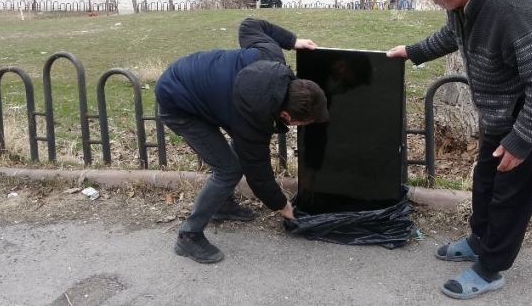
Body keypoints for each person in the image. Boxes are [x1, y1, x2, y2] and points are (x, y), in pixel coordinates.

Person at [386, 0, 532, 300]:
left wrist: (521, 142)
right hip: (501, 112)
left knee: (510, 197)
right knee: (486, 181)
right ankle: (478, 240)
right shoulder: (465, 3)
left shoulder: (512, 7)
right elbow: (452, 36)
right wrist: (411, 52)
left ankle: (490, 268)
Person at [155, 18, 328, 264]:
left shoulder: (272, 55)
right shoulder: (252, 124)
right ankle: (189, 236)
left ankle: (223, 205)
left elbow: (250, 26)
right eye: (302, 124)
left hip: (199, 82)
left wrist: (291, 41)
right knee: (228, 169)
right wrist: (283, 206)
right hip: (178, 101)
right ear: (286, 115)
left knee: (235, 158)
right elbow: (259, 174)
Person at [298, 51, 373, 206]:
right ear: (340, 66)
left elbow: (318, 131)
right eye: (347, 84)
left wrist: (310, 175)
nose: (345, 90)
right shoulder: (312, 71)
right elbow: (316, 130)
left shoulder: (322, 89)